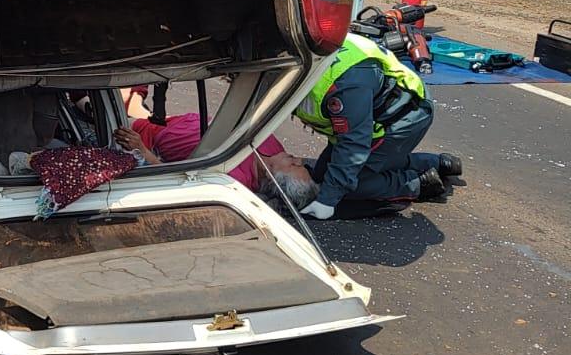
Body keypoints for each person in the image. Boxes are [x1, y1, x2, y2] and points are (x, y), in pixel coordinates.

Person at [291, 34, 461, 219]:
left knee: (348, 185)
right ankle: (437, 163)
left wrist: (326, 201)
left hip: (402, 118)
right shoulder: (310, 46)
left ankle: (417, 184)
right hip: (367, 119)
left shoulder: (341, 82)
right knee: (324, 174)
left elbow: (353, 145)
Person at [112, 114, 317, 208]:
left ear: (273, 178)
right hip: (175, 119)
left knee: (99, 108)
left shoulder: (229, 181)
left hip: (151, 134)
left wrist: (142, 150)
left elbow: (175, 178)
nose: (298, 158)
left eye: (294, 166)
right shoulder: (275, 149)